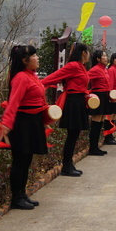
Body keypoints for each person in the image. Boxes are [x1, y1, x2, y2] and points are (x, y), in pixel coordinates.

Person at [0, 45, 49, 211]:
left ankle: (22, 194)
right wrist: (6, 124)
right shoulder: (21, 77)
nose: (37, 58)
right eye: (34, 55)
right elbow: (13, 103)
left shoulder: (32, 75)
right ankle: (16, 197)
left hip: (33, 121)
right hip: (22, 123)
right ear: (24, 60)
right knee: (19, 161)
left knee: (27, 160)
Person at [41, 41, 90, 175]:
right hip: (73, 102)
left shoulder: (81, 66)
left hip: (79, 101)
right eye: (87, 52)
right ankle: (66, 166)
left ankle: (69, 164)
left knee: (74, 135)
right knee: (72, 135)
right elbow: (53, 77)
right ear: (83, 53)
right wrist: (36, 85)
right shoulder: (73, 66)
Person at [86, 49, 112, 155]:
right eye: (104, 56)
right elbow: (85, 78)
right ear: (98, 59)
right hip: (98, 96)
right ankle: (92, 148)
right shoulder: (95, 69)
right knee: (95, 123)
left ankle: (95, 147)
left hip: (104, 96)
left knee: (100, 121)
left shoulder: (104, 69)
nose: (106, 58)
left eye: (106, 56)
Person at [104, 53, 116, 145]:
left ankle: (111, 135)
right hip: (113, 96)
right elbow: (110, 84)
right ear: (112, 60)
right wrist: (110, 97)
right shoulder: (112, 70)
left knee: (114, 116)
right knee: (110, 117)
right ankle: (108, 137)